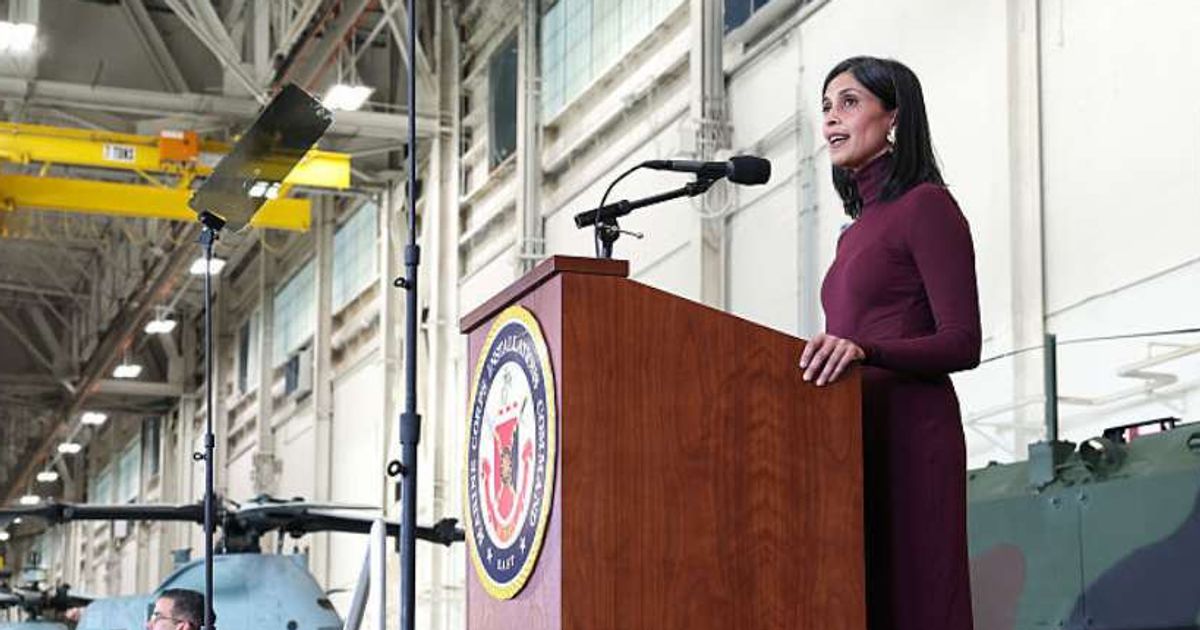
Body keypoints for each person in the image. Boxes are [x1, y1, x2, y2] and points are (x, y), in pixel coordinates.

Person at [798, 56, 981, 630]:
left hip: (911, 436)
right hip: (850, 440)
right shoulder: (853, 234)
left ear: (894, 117)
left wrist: (868, 351)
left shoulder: (925, 206)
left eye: (849, 102)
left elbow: (963, 342)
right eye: (826, 107)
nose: (831, 118)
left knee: (918, 603)